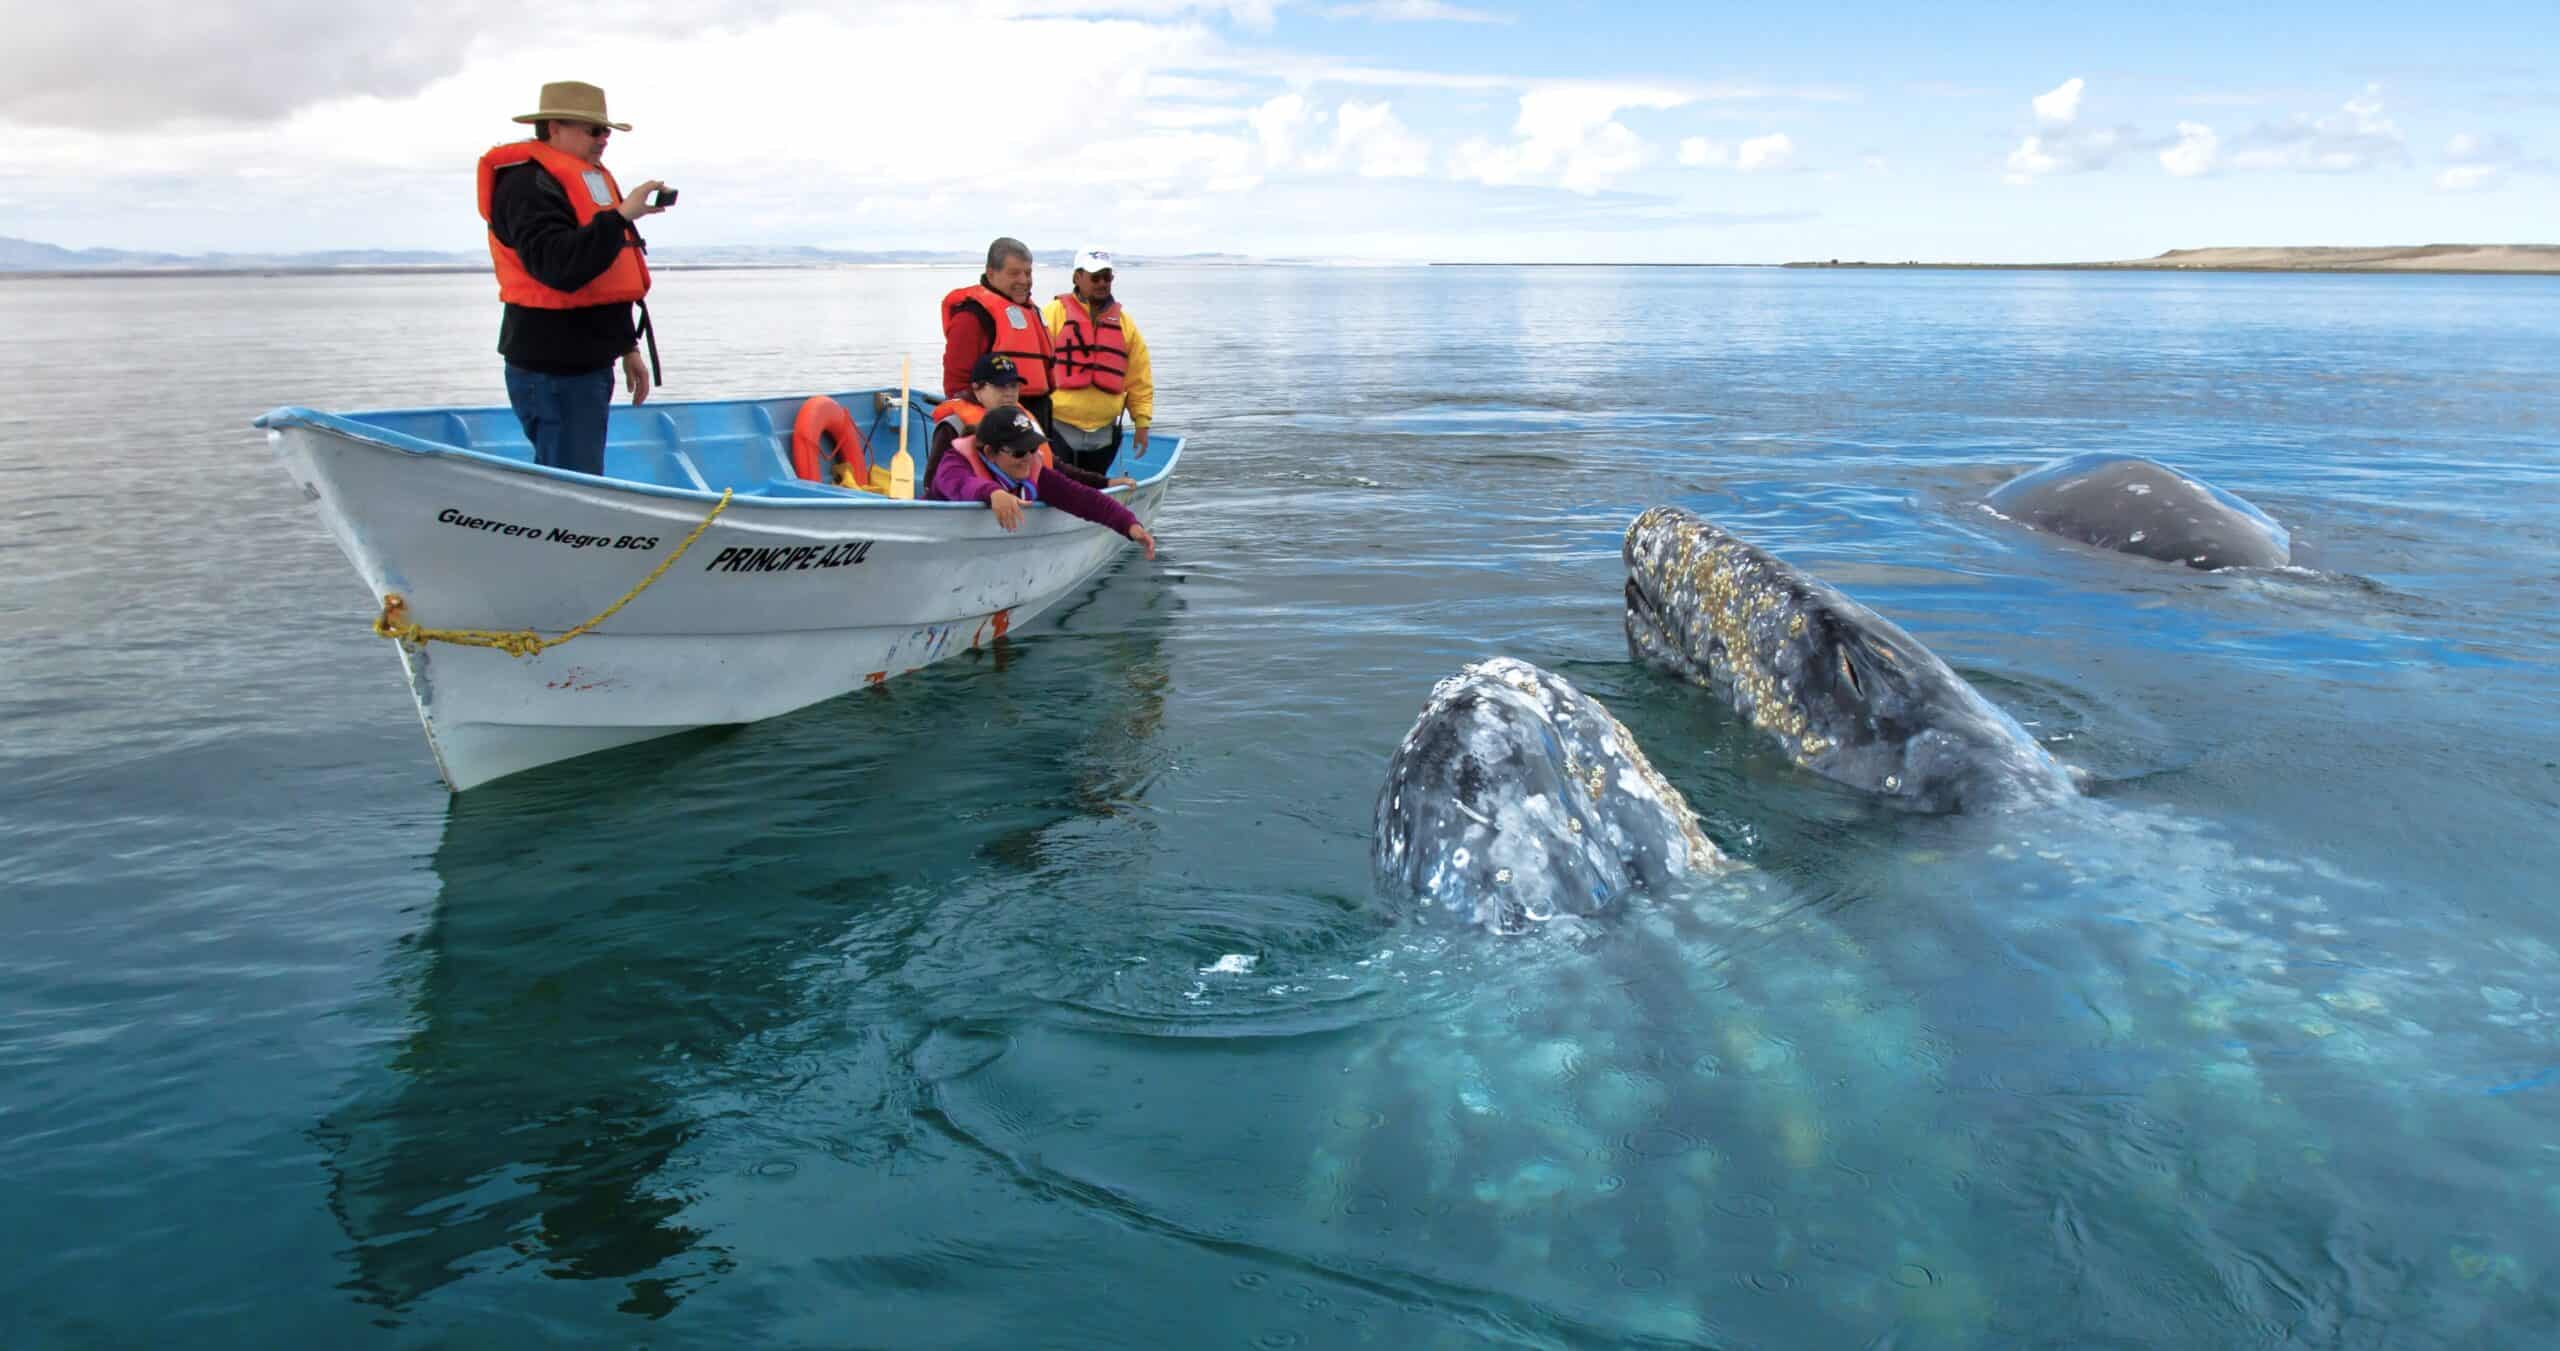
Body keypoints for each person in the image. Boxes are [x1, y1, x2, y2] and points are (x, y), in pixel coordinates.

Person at [476, 80, 670, 476]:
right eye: (594, 130)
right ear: (554, 128)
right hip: (553, 370)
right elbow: (558, 267)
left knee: (579, 475)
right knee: (571, 482)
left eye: (607, 132)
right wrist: (620, 217)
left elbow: (602, 274)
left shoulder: (588, 178)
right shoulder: (526, 186)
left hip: (587, 364)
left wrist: (627, 346)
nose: (603, 139)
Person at [929, 406, 1157, 559]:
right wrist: (993, 493)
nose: (1028, 458)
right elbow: (962, 484)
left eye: (1032, 448)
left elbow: (1081, 497)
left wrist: (1129, 525)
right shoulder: (954, 463)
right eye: (1019, 452)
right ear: (989, 452)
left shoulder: (1033, 471)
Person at [926, 354, 1133, 494]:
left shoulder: (1020, 419)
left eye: (1014, 386)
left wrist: (1104, 482)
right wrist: (990, 495)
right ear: (977, 388)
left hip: (1021, 503)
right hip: (977, 506)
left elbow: (1054, 467)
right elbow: (934, 481)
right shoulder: (953, 426)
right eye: (1000, 386)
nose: (1009, 393)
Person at [1040, 247, 1155, 477]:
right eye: (1095, 277)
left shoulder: (1125, 324)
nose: (1102, 283)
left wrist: (1142, 422)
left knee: (1094, 489)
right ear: (1077, 277)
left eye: (1107, 277)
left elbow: (1139, 378)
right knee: (1062, 486)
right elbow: (1035, 365)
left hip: (1104, 434)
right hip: (1057, 428)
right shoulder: (1052, 314)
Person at [941, 237, 1056, 434]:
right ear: (991, 273)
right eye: (1014, 273)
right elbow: (956, 386)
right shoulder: (972, 317)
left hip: (1035, 421)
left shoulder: (1031, 312)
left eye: (1028, 273)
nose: (1024, 281)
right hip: (997, 430)